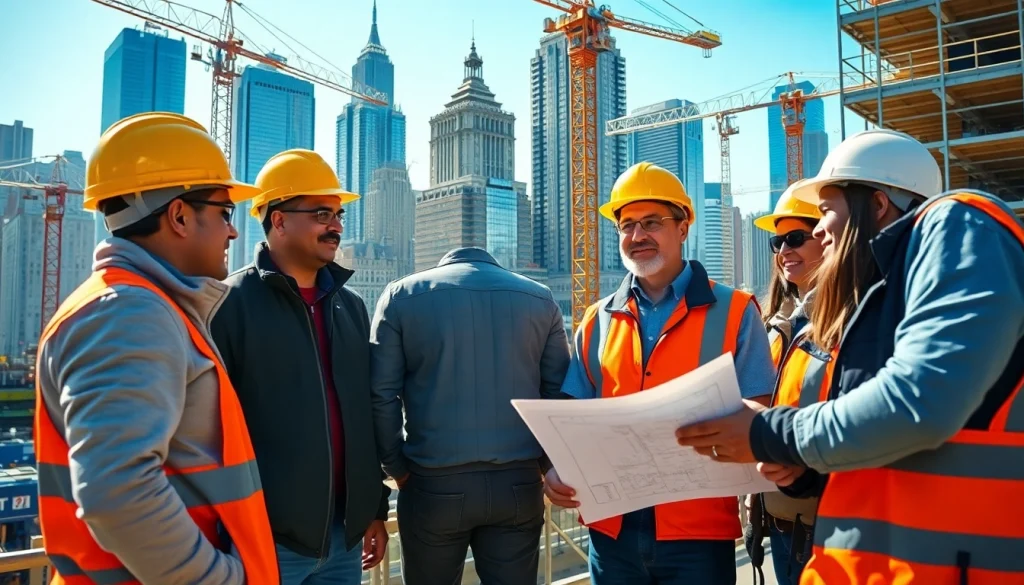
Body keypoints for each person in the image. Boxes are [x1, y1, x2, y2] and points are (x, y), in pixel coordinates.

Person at [674, 129, 1024, 584]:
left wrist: (769, 433)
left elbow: (919, 403)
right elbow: (889, 450)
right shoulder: (881, 299)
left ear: (877, 205)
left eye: (824, 212)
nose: (819, 230)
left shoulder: (958, 223)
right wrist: (804, 473)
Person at [34, 112, 279, 584]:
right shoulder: (128, 313)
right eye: (224, 213)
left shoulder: (145, 304)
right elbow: (117, 492)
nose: (233, 231)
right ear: (180, 216)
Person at [544, 162, 775, 585]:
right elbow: (573, 413)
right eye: (626, 225)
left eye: (652, 222)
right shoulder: (597, 320)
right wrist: (557, 468)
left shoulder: (737, 312)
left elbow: (760, 408)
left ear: (683, 227)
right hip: (611, 532)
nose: (637, 236)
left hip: (699, 534)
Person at [210, 149, 390, 585]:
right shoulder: (228, 304)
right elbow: (210, 428)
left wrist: (373, 510)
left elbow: (362, 418)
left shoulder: (351, 307)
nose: (337, 226)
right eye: (322, 214)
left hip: (344, 540)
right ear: (279, 220)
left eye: (339, 214)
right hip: (265, 538)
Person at [369, 246, 570, 585]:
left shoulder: (402, 295)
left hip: (432, 482)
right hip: (519, 484)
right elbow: (558, 392)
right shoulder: (540, 298)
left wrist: (396, 467)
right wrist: (546, 464)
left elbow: (381, 395)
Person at [746, 184, 827, 585]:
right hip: (779, 521)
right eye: (777, 241)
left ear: (828, 237)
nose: (783, 250)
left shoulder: (846, 323)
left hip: (824, 523)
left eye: (796, 238)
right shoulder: (774, 327)